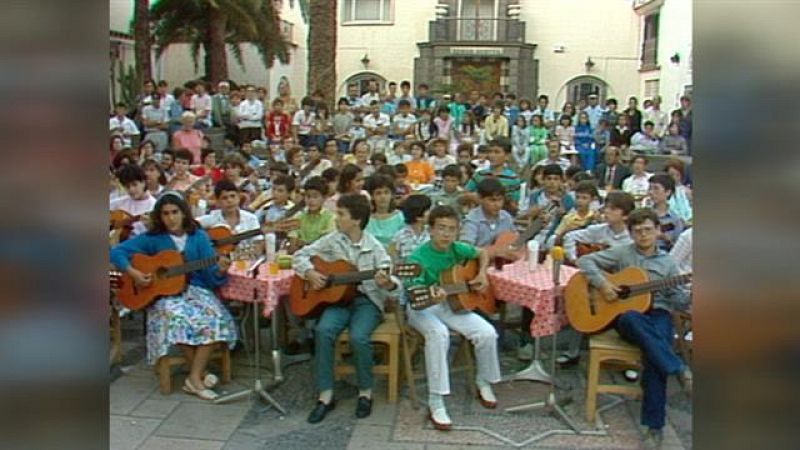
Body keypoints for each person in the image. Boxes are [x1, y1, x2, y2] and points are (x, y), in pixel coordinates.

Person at [577, 208, 692, 448]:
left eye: (648, 229)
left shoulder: (668, 263)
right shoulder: (622, 253)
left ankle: (654, 427)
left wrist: (689, 295)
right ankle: (678, 367)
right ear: (631, 234)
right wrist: (605, 285)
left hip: (658, 312)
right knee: (630, 316)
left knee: (654, 358)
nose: (643, 235)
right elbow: (585, 261)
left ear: (658, 231)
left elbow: (678, 301)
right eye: (638, 231)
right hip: (627, 317)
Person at [110, 192, 238, 400]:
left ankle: (194, 376)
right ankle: (198, 377)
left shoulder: (199, 237)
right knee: (176, 319)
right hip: (165, 295)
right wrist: (134, 273)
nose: (170, 218)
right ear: (159, 217)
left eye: (175, 212)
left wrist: (220, 271)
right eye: (165, 213)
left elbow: (209, 275)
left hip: (195, 289)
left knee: (214, 318)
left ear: (183, 213)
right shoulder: (153, 239)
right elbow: (116, 253)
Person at [293, 194, 402, 423]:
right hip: (338, 301)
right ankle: (326, 394)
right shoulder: (333, 240)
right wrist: (310, 273)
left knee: (359, 337)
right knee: (323, 331)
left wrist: (388, 283)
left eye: (341, 214)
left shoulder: (374, 248)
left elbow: (394, 288)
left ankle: (365, 392)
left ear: (356, 219)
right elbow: (299, 256)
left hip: (366, 302)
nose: (336, 217)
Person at [403, 205, 500, 430]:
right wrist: (430, 297)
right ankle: (436, 400)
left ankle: (483, 381)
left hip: (452, 304)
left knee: (487, 333)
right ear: (431, 230)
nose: (446, 234)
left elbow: (483, 253)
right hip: (422, 307)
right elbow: (413, 294)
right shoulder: (417, 257)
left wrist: (481, 273)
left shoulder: (458, 248)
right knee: (439, 335)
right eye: (441, 229)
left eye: (451, 229)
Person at [197, 180, 264, 254]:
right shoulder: (212, 218)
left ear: (238, 197)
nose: (230, 200)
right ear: (218, 201)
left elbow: (258, 245)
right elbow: (189, 225)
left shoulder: (251, 218)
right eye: (224, 198)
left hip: (245, 260)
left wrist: (236, 256)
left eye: (233, 196)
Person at [464, 138, 522, 213]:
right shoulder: (479, 174)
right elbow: (464, 195)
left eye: (497, 152)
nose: (492, 155)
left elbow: (514, 207)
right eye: (490, 152)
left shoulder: (513, 179)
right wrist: (472, 197)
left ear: (507, 156)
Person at [460, 177, 516, 253]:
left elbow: (515, 241)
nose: (497, 205)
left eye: (500, 199)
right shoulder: (472, 220)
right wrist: (493, 252)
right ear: (480, 198)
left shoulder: (507, 217)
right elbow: (465, 249)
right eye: (492, 200)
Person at [287, 176, 336, 253]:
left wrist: (303, 244)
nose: (311, 200)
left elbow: (325, 246)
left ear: (324, 197)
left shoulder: (331, 218)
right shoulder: (298, 217)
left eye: (315, 196)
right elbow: (293, 247)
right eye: (308, 196)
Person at [110, 164, 157, 238]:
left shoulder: (155, 205)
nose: (131, 189)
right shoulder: (118, 202)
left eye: (134, 184)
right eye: (127, 186)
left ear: (143, 182)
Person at [364, 174, 406, 248]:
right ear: (372, 196)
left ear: (392, 195)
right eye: (378, 193)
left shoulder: (400, 217)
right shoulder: (366, 219)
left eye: (386, 192)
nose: (383, 197)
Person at [646, 174, 685, 251]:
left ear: (668, 192)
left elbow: (678, 248)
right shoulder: (644, 214)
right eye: (650, 188)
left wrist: (664, 238)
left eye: (656, 189)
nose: (651, 192)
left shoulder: (676, 219)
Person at [389, 194, 431, 263]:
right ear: (418, 216)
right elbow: (394, 258)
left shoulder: (432, 233)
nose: (431, 212)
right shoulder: (399, 236)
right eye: (428, 210)